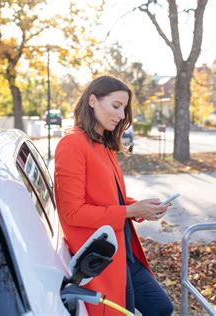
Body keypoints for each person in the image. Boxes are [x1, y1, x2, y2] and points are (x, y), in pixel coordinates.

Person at [54, 75, 174, 315]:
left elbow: (110, 200)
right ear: (92, 101)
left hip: (125, 253)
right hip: (104, 258)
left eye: (124, 109)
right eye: (116, 106)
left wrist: (141, 207)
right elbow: (72, 212)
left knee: (161, 307)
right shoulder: (72, 144)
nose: (121, 115)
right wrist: (130, 211)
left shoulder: (104, 144)